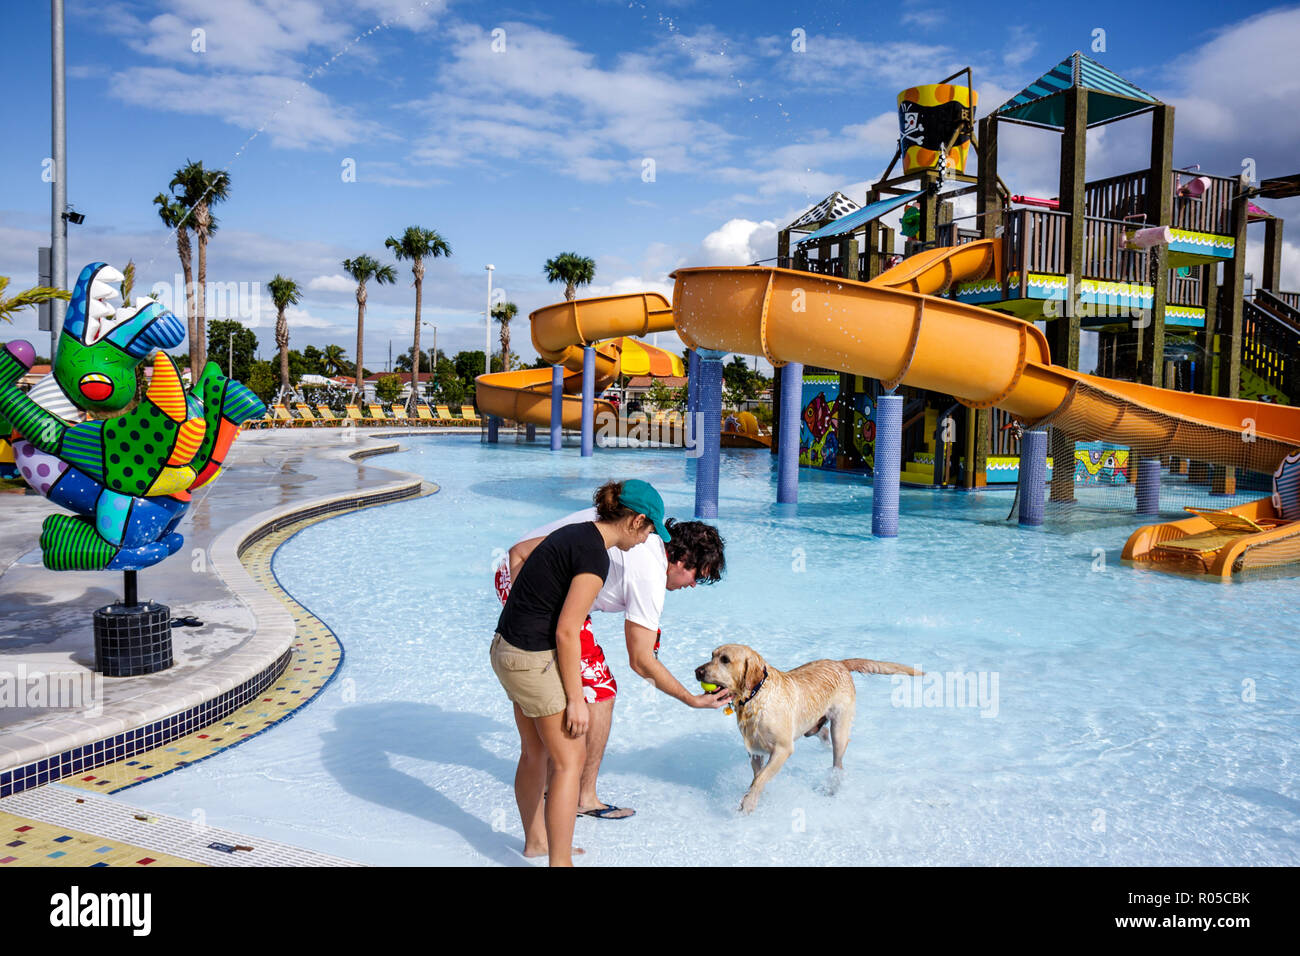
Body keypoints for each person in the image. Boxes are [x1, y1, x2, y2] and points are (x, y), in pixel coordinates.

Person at [494, 485, 728, 821]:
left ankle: (556, 779)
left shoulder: (629, 530)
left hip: (520, 571)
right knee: (601, 692)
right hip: (523, 579)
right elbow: (641, 660)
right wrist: (691, 699)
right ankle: (581, 796)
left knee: (574, 689)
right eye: (696, 576)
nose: (692, 585)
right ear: (682, 558)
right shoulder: (648, 567)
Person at [491, 479, 671, 866]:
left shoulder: (575, 532)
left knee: (534, 752)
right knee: (569, 761)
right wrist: (576, 700)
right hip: (530, 660)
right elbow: (568, 631)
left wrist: (532, 612)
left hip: (506, 649)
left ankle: (537, 843)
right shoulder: (596, 558)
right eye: (651, 530)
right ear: (636, 521)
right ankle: (561, 863)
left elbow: (520, 558)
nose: (649, 540)